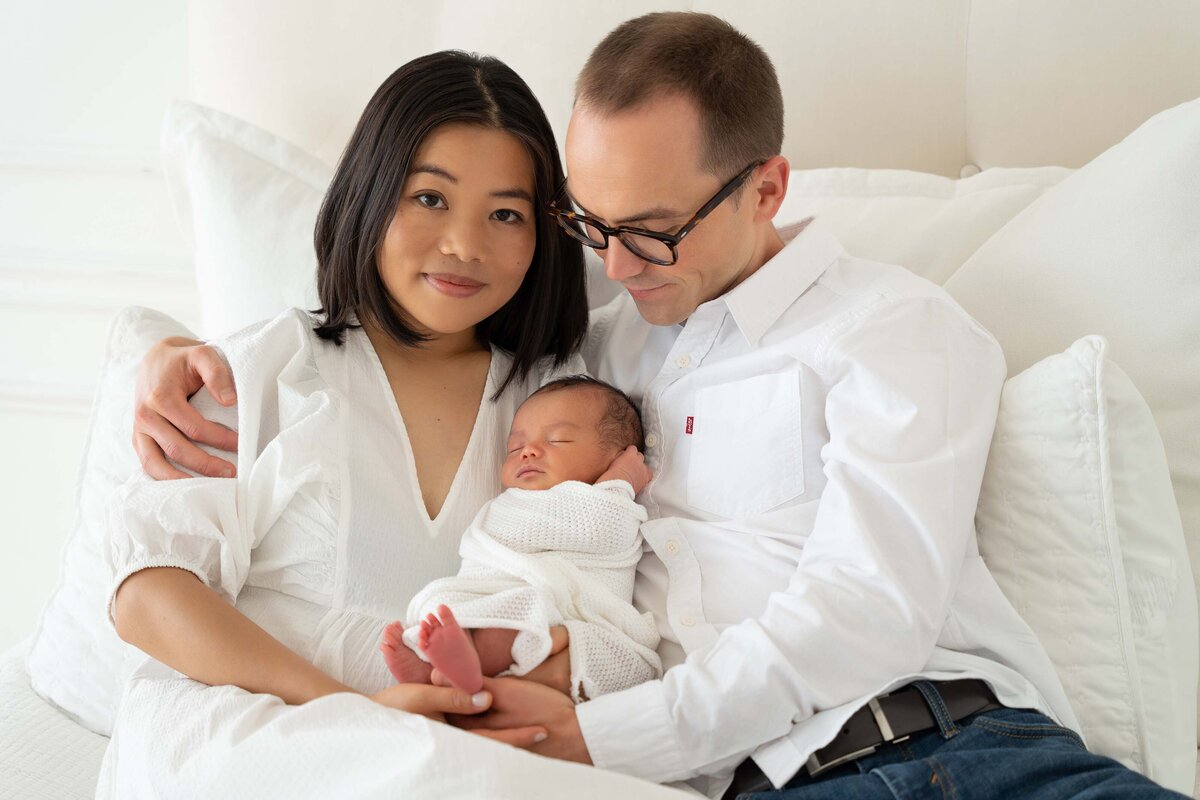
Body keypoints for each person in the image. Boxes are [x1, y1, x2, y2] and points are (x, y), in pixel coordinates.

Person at [132, 12, 1188, 800]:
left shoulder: (894, 330)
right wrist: (183, 354)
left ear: (767, 190)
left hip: (946, 753)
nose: (618, 260)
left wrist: (605, 734)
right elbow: (429, 299)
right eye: (590, 224)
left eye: (652, 229)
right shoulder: (599, 342)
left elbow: (867, 610)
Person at [100, 49, 591, 796]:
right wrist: (363, 717)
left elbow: (595, 607)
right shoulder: (260, 367)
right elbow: (147, 591)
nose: (464, 244)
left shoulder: (560, 401)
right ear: (370, 193)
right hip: (249, 736)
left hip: (454, 756)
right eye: (430, 198)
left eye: (505, 214)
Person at [381, 375, 661, 703]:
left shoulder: (608, 507)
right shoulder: (511, 503)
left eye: (558, 440)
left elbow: (597, 530)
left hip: (575, 614)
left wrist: (620, 480)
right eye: (515, 446)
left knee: (521, 614)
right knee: (439, 600)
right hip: (494, 589)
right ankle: (438, 668)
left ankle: (464, 667)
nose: (527, 451)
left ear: (614, 458)